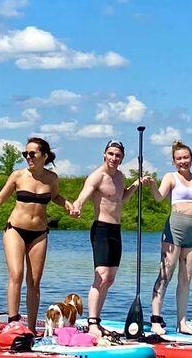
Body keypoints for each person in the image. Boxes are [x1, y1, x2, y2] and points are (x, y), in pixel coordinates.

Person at [0, 136, 63, 328]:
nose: (28, 157)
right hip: (15, 230)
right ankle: (13, 323)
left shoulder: (51, 178)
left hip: (40, 233)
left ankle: (32, 327)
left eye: (32, 153)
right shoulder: (18, 176)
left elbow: (55, 197)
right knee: (16, 275)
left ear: (44, 155)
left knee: (34, 281)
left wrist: (69, 205)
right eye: (25, 153)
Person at [65, 140, 154, 337]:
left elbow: (120, 199)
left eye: (118, 155)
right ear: (104, 154)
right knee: (101, 275)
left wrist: (136, 185)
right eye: (111, 154)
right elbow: (83, 195)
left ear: (122, 158)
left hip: (116, 230)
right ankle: (92, 323)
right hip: (102, 230)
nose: (114, 158)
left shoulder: (120, 177)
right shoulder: (97, 176)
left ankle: (98, 320)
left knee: (110, 278)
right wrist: (77, 205)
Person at [149, 141, 192, 336]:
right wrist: (153, 185)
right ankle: (156, 319)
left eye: (186, 157)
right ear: (174, 161)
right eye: (179, 158)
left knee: (186, 279)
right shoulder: (171, 177)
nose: (183, 161)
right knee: (165, 275)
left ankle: (182, 323)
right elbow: (158, 197)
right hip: (174, 229)